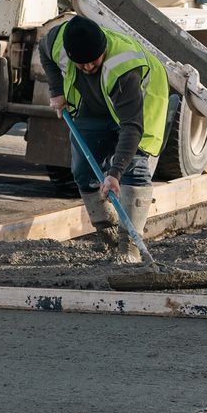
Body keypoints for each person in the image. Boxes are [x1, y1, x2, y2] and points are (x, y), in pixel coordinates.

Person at [41, 15, 169, 261]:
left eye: (93, 61)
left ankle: (130, 245)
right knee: (82, 171)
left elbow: (132, 127)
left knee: (135, 169)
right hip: (93, 106)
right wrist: (56, 91)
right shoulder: (58, 41)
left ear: (104, 49)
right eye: (81, 63)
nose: (88, 67)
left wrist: (114, 173)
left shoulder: (124, 68)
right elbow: (44, 51)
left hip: (139, 107)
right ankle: (106, 228)